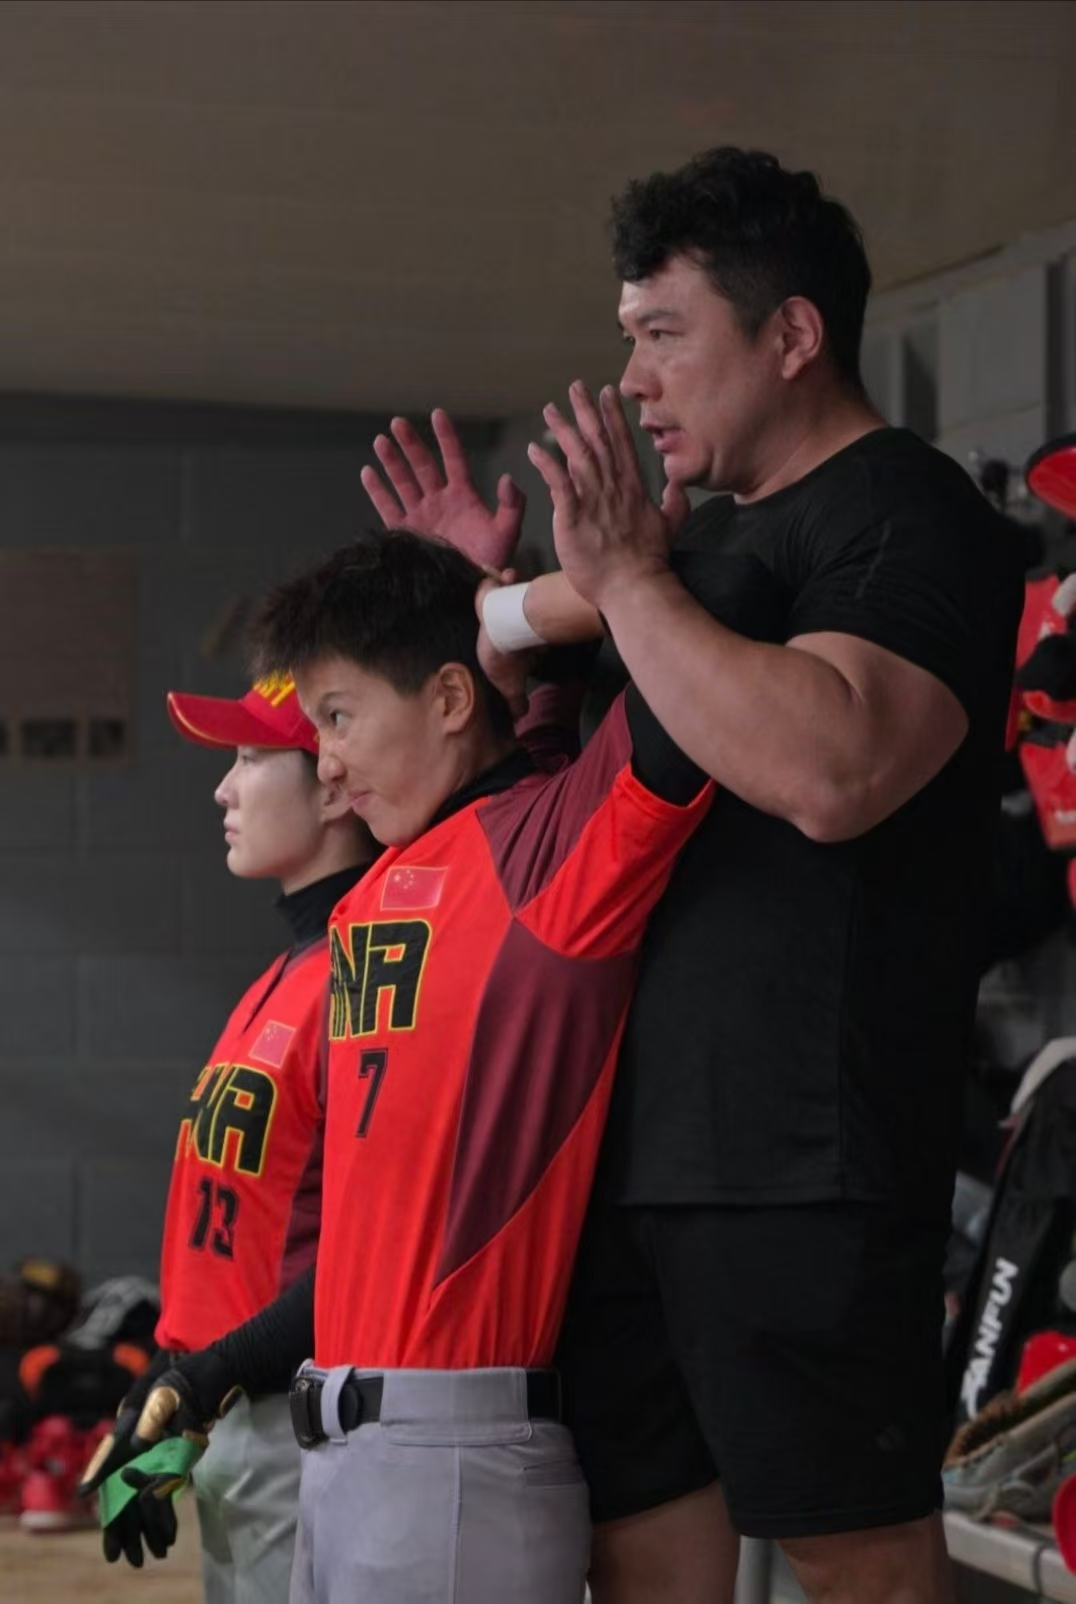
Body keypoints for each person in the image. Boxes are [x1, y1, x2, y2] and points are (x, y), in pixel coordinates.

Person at [358, 147, 1025, 1604]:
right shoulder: (690, 555)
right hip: (621, 1150)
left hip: (796, 1157)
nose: (634, 378)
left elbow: (835, 769)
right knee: (644, 1562)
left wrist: (626, 585)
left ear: (791, 335)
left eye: (664, 333)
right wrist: (490, 612)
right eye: (627, 337)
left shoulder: (903, 511)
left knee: (859, 1565)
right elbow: (545, 824)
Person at [79, 525, 782, 1604]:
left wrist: (504, 616)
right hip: (338, 1440)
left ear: (451, 698)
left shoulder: (547, 848)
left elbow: (724, 586)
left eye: (337, 717)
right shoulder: (382, 882)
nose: (326, 760)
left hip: (454, 1443)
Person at [83, 673, 376, 1600]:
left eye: (251, 758)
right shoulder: (285, 974)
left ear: (333, 787)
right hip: (236, 1409)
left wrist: (209, 1379)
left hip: (302, 1417)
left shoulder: (364, 979)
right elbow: (245, 1242)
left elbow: (370, 1252)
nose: (222, 788)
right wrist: (165, 1384)